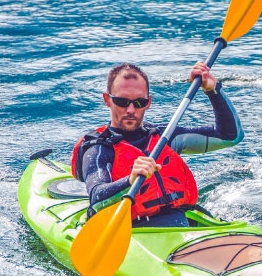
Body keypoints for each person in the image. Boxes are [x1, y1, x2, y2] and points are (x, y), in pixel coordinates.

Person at [71, 61, 243, 227]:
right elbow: (97, 199)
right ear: (107, 100)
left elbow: (230, 136)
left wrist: (213, 90)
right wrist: (129, 180)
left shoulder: (165, 137)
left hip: (180, 224)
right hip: (130, 231)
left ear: (149, 102)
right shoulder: (99, 148)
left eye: (139, 103)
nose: (131, 110)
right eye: (122, 102)